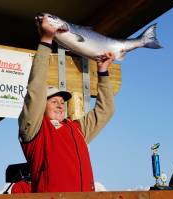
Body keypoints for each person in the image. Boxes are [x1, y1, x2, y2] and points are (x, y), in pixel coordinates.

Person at [17, 16, 115, 192]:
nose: (60, 105)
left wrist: (103, 71)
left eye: (63, 102)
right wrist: (46, 40)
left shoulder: (77, 128)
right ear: (41, 107)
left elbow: (106, 110)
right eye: (54, 101)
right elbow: (36, 88)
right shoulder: (34, 130)